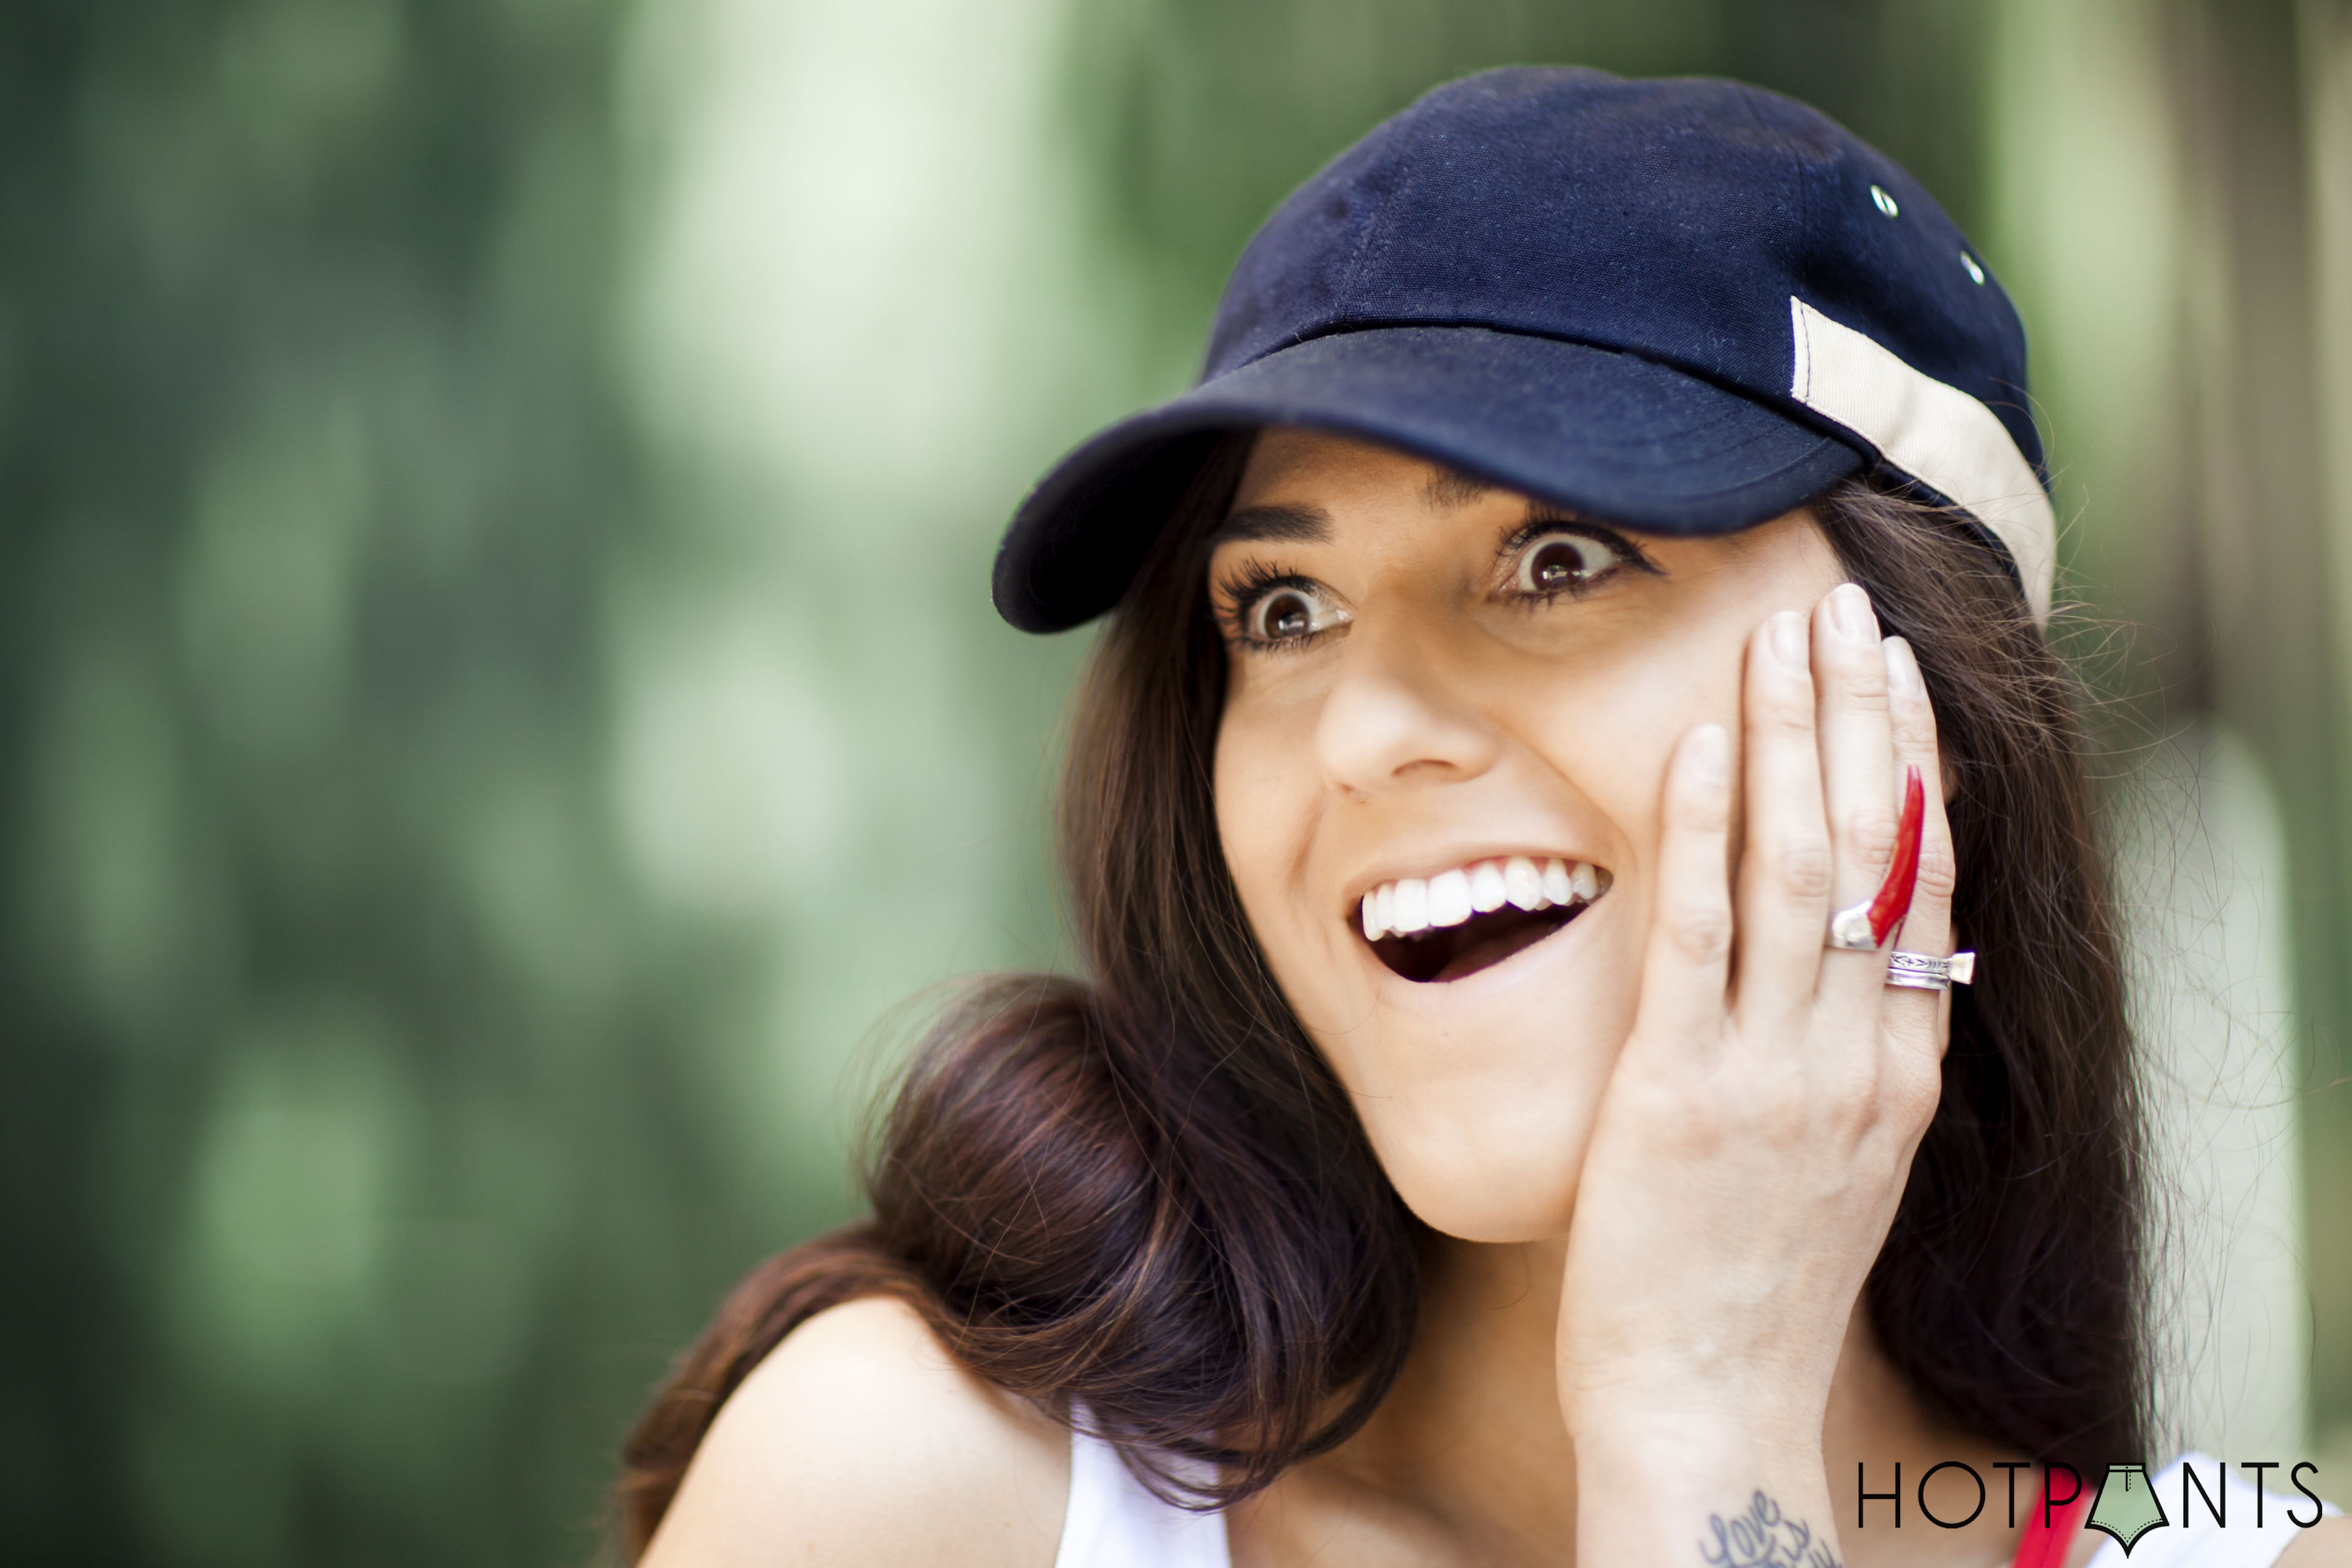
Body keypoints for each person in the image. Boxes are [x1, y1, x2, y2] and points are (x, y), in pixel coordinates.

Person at [613, 69, 2348, 1567]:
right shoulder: (917, 1489)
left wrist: (1701, 1434)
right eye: (1281, 611)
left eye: (1559, 560)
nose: (1360, 732)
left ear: (1928, 726)